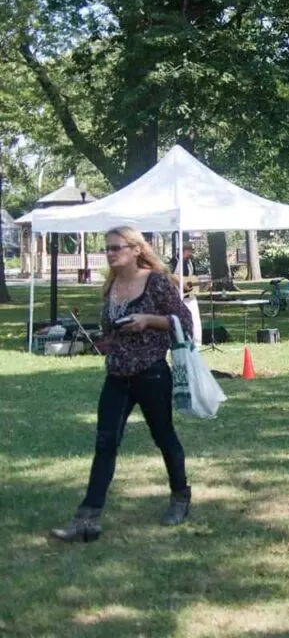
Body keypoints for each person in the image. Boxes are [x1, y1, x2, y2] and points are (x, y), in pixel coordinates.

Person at [51, 227, 195, 543]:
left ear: (134, 249)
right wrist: (109, 341)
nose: (110, 253)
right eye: (108, 248)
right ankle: (86, 520)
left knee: (163, 436)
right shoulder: (112, 285)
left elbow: (185, 323)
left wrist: (148, 320)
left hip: (151, 374)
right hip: (117, 375)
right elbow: (109, 328)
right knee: (105, 442)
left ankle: (180, 497)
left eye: (116, 248)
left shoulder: (156, 282)